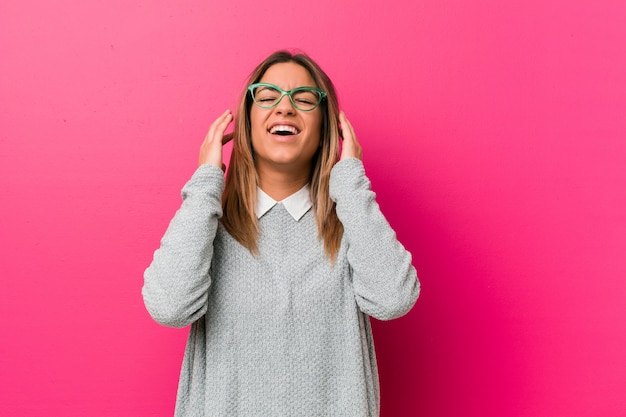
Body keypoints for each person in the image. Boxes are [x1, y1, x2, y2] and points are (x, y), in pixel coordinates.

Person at [143, 50, 420, 417]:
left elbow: (393, 298)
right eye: (268, 96)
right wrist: (206, 184)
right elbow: (169, 306)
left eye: (303, 99)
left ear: (327, 127)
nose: (284, 107)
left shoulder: (353, 222)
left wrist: (351, 183)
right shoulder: (207, 227)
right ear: (245, 121)